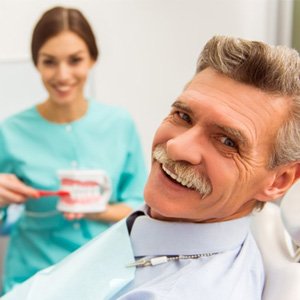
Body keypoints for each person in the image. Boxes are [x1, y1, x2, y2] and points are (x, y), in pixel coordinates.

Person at [2, 35, 300, 300]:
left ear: (280, 180)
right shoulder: (157, 225)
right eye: (183, 116)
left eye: (227, 141)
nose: (176, 147)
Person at [0, 6, 147, 293]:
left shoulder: (119, 124)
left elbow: (140, 206)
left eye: (75, 60)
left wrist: (97, 210)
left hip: (106, 276)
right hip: (32, 277)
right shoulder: (11, 131)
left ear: (92, 58)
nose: (62, 74)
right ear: (37, 63)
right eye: (50, 62)